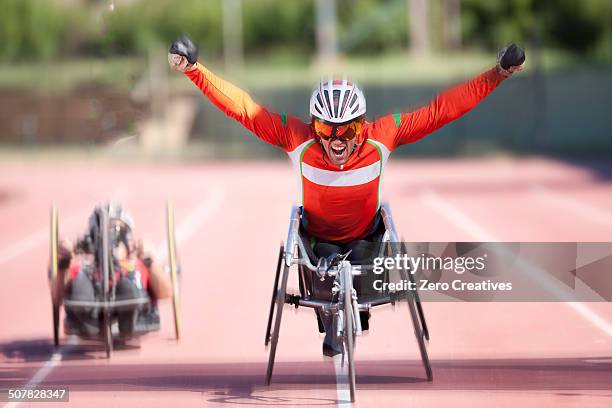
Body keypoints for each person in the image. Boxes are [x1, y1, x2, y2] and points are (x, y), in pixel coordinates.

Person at [168, 35, 525, 355]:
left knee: (358, 258)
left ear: (362, 124)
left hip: (366, 240)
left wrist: (498, 73)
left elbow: (442, 110)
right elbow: (243, 107)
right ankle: (334, 315)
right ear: (314, 125)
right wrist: (194, 70)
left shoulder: (383, 135)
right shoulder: (297, 138)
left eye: (347, 129)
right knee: (324, 255)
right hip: (318, 241)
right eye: (326, 128)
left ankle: (348, 309)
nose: (337, 139)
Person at [50, 204, 173, 338]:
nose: (109, 240)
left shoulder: (139, 265)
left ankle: (127, 319)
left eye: (116, 232)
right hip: (90, 309)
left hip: (132, 302)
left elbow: (166, 292)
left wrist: (150, 260)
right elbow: (57, 298)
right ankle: (89, 321)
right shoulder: (81, 269)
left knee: (128, 284)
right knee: (79, 283)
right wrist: (63, 264)